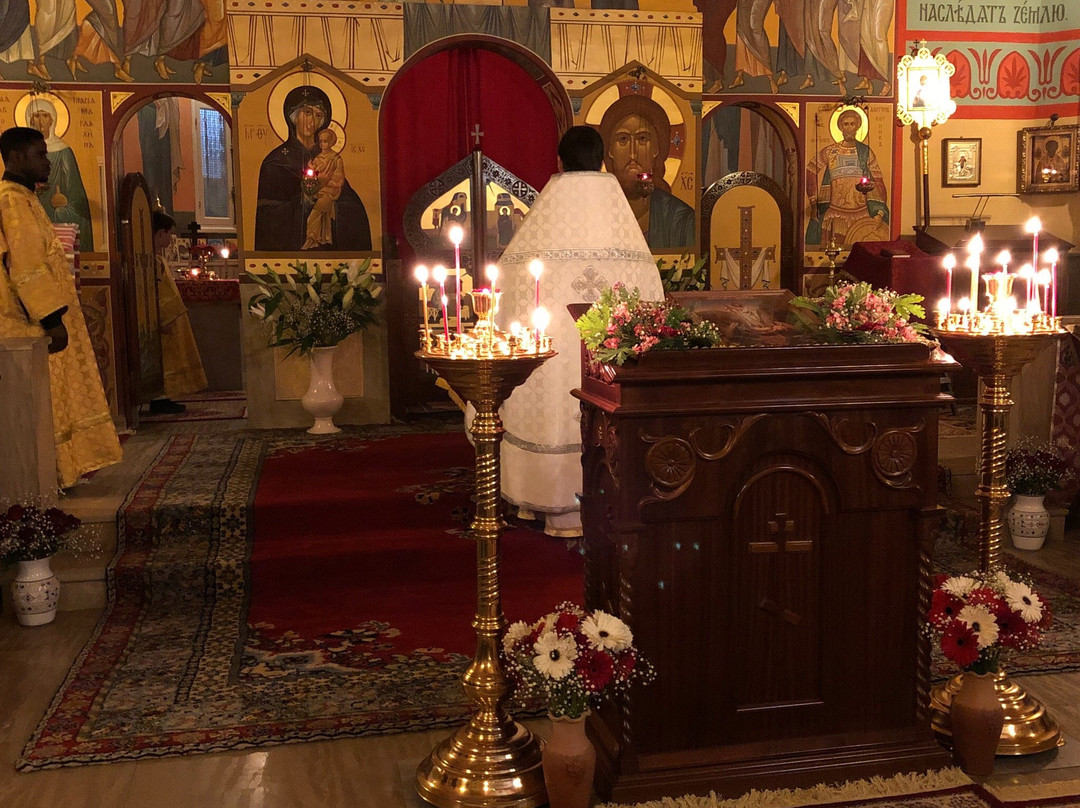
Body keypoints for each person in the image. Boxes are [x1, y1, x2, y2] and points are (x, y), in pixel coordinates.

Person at [497, 125, 665, 537]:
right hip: (606, 358)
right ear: (603, 159)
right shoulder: (619, 220)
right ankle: (610, 498)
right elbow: (650, 295)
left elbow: (506, 290)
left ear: (558, 162)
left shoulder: (542, 222)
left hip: (549, 349)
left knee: (551, 405)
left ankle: (549, 500)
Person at [0, 126, 121, 488]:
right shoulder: (10, 200)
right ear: (17, 156)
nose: (48, 162)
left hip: (38, 317)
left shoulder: (24, 197)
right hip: (29, 323)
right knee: (46, 399)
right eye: (40, 154)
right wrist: (52, 319)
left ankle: (62, 470)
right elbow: (26, 264)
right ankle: (51, 474)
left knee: (58, 397)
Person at [255, 85, 371, 252]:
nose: (312, 121)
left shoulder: (329, 158)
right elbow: (269, 221)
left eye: (319, 116)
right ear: (293, 117)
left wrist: (334, 200)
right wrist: (308, 197)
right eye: (307, 112)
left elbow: (353, 210)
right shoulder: (276, 162)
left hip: (330, 256)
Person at [598, 95, 696, 251]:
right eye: (622, 139)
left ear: (657, 149)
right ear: (609, 150)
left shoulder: (680, 219)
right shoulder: (594, 212)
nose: (632, 154)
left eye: (642, 138)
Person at [805, 107, 888, 248]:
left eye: (852, 124)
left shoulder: (865, 152)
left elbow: (878, 182)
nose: (849, 128)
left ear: (857, 126)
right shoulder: (830, 151)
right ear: (840, 127)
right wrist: (814, 204)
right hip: (835, 215)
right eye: (845, 124)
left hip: (861, 214)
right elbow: (811, 170)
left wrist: (880, 211)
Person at [150, 211, 206, 413]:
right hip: (165, 316)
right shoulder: (151, 260)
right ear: (160, 233)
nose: (171, 239)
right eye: (169, 234)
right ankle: (159, 398)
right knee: (166, 357)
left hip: (172, 313)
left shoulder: (157, 258)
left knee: (173, 355)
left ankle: (166, 396)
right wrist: (164, 315)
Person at [25, 96, 94, 252]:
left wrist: (65, 202)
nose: (41, 121)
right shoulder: (24, 153)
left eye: (45, 115)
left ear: (52, 120)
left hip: (55, 214)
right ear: (30, 120)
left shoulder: (64, 152)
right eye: (36, 116)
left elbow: (77, 196)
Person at [302, 128, 345, 250]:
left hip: (329, 193)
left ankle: (311, 238)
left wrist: (326, 182)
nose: (322, 144)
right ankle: (318, 239)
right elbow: (310, 176)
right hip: (317, 191)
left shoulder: (336, 159)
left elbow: (339, 179)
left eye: (325, 141)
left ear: (331, 142)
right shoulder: (317, 159)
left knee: (313, 215)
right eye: (320, 141)